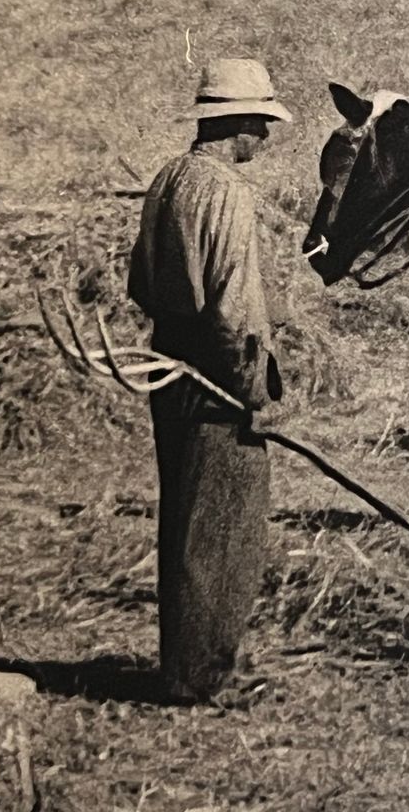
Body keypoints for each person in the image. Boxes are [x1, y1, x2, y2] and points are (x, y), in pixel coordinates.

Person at [127, 57, 291, 699]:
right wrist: (256, 391)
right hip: (217, 376)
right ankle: (200, 677)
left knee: (186, 519)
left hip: (171, 361)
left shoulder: (169, 179)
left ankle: (187, 665)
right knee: (223, 527)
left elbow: (140, 282)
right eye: (262, 124)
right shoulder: (225, 191)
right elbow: (235, 311)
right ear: (239, 121)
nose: (268, 137)